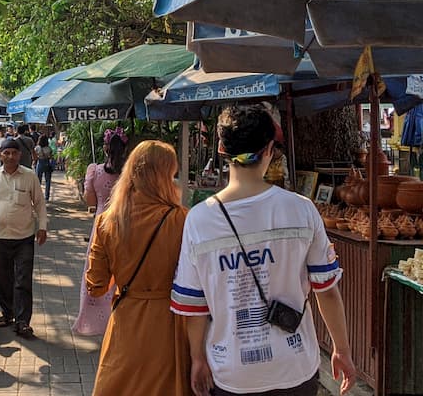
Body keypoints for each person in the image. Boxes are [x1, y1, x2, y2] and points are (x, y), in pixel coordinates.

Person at [171, 104, 356, 396]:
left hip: (231, 371)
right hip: (295, 367)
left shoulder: (199, 219)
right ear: (269, 149)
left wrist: (197, 359)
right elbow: (327, 291)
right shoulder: (302, 210)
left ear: (221, 148)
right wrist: (341, 349)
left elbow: (194, 307)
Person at [87, 140, 192, 395]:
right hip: (171, 323)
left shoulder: (106, 222)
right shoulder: (182, 219)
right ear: (165, 177)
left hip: (126, 320)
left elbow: (96, 286)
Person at [0, 137, 48, 338]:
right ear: (0, 154)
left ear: (20, 155)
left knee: (23, 279)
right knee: (4, 278)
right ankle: (7, 314)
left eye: (14, 153)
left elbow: (40, 204)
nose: (10, 156)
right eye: (6, 153)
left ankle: (23, 321)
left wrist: (42, 227)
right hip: (0, 236)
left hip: (25, 237)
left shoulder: (29, 176)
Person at [72, 127, 127, 336]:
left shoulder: (95, 170)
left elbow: (91, 201)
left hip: (102, 225)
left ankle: (92, 319)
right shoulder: (130, 173)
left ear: (105, 148)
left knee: (96, 269)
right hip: (125, 225)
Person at [34, 134, 55, 201]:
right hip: (47, 164)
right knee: (48, 181)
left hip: (40, 163)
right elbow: (52, 156)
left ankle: (38, 196)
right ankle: (47, 196)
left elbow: (34, 156)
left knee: (38, 181)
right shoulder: (49, 148)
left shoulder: (37, 148)